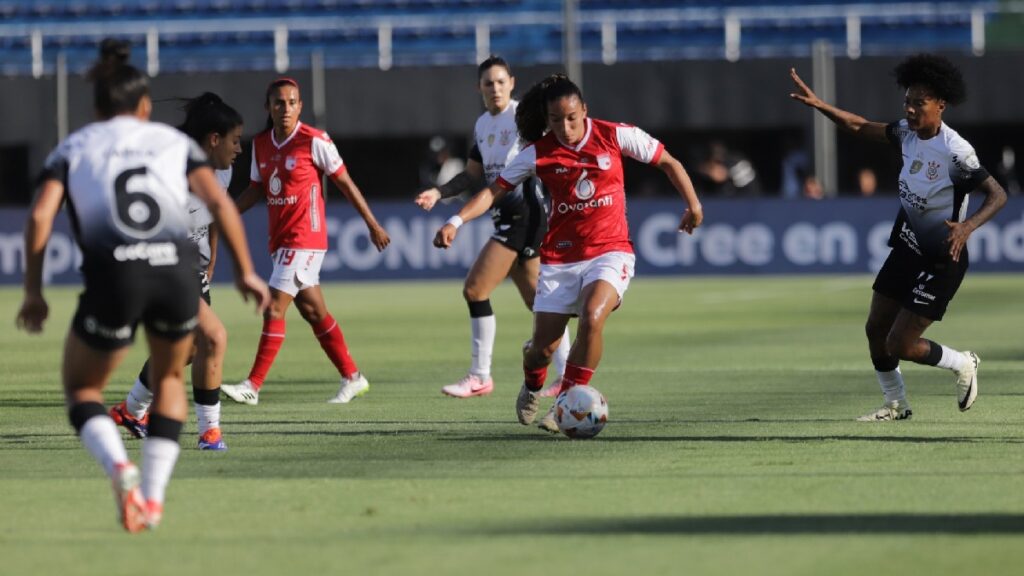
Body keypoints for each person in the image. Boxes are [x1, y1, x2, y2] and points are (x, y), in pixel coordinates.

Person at [15, 39, 269, 532]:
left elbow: (41, 214)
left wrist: (33, 290)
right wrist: (246, 270)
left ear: (96, 107)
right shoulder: (174, 145)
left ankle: (119, 466)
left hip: (115, 270)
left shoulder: (76, 145)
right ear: (146, 106)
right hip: (174, 268)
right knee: (172, 375)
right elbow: (220, 206)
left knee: (82, 387)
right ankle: (152, 498)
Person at [433, 74, 703, 432]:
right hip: (560, 259)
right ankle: (532, 383)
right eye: (556, 120)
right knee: (541, 349)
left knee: (593, 316)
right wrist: (455, 219)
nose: (565, 126)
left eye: (572, 117)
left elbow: (668, 161)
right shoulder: (538, 153)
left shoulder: (614, 135)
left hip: (611, 251)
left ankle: (566, 402)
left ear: (584, 111)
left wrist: (693, 205)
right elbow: (493, 191)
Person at [789, 54, 1007, 421]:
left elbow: (997, 193)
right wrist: (821, 105)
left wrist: (967, 227)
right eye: (906, 101)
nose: (909, 109)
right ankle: (895, 404)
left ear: (941, 105)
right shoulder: (906, 135)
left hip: (942, 257)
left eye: (918, 102)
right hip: (908, 246)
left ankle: (963, 362)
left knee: (900, 343)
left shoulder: (956, 152)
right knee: (875, 327)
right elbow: (859, 126)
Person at [221, 77, 391, 406]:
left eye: (292, 102)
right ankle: (353, 377)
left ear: (300, 105)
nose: (285, 108)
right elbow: (256, 189)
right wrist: (224, 212)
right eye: (279, 103)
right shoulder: (260, 144)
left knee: (273, 307)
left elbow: (345, 183)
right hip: (280, 241)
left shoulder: (314, 141)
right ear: (268, 107)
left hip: (306, 238)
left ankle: (252, 386)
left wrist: (372, 224)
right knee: (314, 312)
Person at [414, 55, 570, 399]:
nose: (495, 88)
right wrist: (438, 192)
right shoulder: (483, 125)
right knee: (542, 303)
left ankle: (480, 375)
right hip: (506, 218)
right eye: (489, 83)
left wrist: (456, 220)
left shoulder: (523, 119)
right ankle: (567, 374)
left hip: (526, 217)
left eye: (501, 81)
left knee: (475, 289)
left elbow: (550, 151)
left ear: (512, 83)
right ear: (479, 88)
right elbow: (472, 175)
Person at [109, 92, 245, 451]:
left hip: (190, 267)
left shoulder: (222, 170)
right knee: (213, 337)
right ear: (214, 139)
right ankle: (209, 433)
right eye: (235, 140)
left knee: (186, 349)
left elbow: (216, 210)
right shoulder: (167, 169)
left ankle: (131, 410)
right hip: (157, 264)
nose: (239, 149)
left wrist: (212, 258)